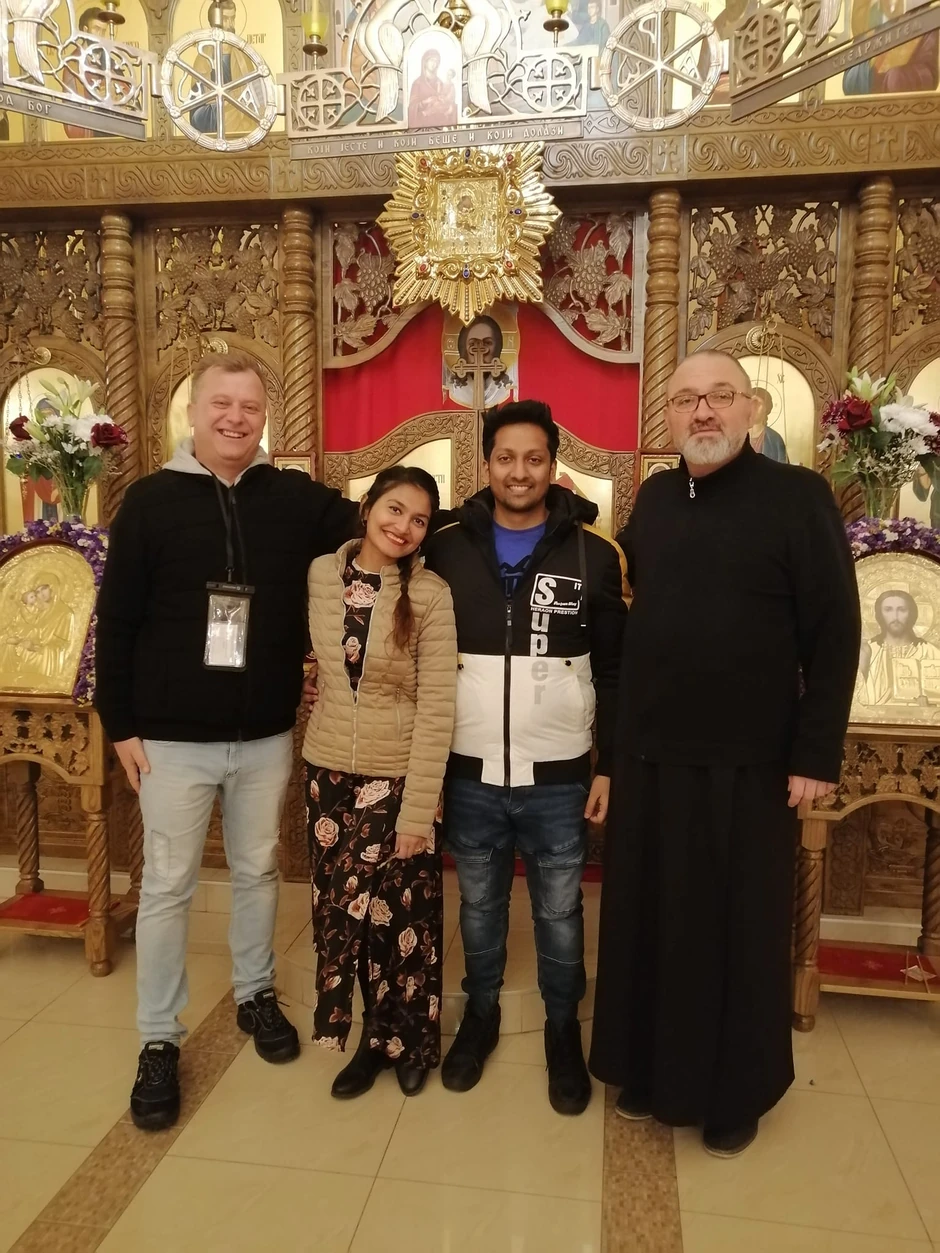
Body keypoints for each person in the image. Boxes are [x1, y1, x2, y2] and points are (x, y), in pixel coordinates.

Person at [590, 349, 860, 1157]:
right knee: (652, 921)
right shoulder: (657, 498)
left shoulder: (799, 497)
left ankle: (733, 1092)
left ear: (752, 408)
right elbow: (633, 612)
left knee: (737, 931)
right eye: (685, 400)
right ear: (668, 416)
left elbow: (836, 631)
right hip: (652, 757)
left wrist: (816, 753)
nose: (702, 412)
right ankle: (648, 1069)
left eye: (719, 396)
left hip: (751, 763)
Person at [94, 349, 359, 1132]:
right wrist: (120, 723)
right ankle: (157, 1038)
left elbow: (378, 522)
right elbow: (117, 620)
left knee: (257, 870)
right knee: (168, 886)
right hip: (169, 739)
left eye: (250, 405)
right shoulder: (149, 502)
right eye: (222, 404)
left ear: (265, 416)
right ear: (194, 412)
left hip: (265, 730)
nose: (236, 418)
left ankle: (254, 993)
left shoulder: (293, 498)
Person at [422, 400, 628, 1116]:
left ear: (552, 465)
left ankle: (562, 1027)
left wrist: (608, 764)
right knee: (478, 905)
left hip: (559, 775)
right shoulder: (444, 547)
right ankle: (479, 1015)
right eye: (506, 458)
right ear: (486, 464)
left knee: (560, 910)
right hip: (469, 771)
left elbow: (614, 671)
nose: (519, 472)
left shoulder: (594, 555)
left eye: (534, 459)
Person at [303, 466, 457, 1099]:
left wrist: (418, 811)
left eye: (419, 520)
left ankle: (411, 1042)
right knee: (345, 918)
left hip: (397, 779)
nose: (403, 527)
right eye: (395, 510)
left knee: (402, 920)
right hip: (328, 775)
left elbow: (438, 708)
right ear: (367, 507)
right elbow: (323, 661)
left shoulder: (431, 594)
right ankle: (370, 1042)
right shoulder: (322, 574)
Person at [857, 589, 940, 705]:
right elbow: (854, 700)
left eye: (902, 610)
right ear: (879, 614)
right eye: (888, 610)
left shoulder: (931, 652)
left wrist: (930, 705)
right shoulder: (868, 651)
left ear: (911, 614)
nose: (895, 617)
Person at [407, 49, 458, 128]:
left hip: (440, 126)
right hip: (422, 126)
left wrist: (446, 103)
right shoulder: (417, 83)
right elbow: (412, 109)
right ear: (425, 62)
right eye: (431, 60)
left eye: (436, 61)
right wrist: (425, 102)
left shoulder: (440, 83)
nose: (434, 63)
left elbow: (448, 102)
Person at [748, 386, 788, 462]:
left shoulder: (775, 439)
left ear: (766, 408)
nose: (754, 408)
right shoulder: (737, 436)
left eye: (758, 404)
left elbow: (782, 466)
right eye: (751, 403)